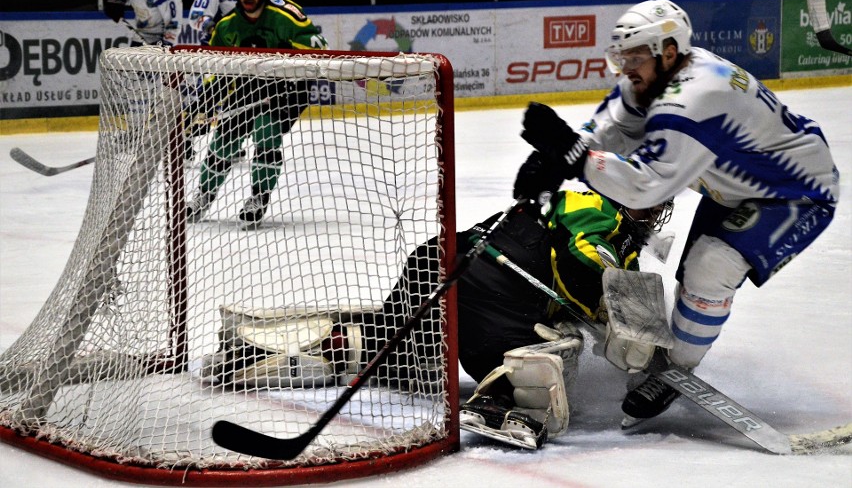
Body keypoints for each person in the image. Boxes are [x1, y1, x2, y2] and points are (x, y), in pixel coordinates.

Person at [196, 151, 674, 448]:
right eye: (647, 198)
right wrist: (607, 307)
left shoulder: (572, 204)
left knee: (397, 356)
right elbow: (585, 260)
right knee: (555, 346)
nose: (653, 209)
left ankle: (269, 350)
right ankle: (505, 396)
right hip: (490, 299)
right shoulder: (601, 213)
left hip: (434, 266)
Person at [519, 0, 840, 424]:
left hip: (796, 193)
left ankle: (676, 374)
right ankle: (679, 355)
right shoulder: (663, 78)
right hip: (736, 189)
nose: (627, 67)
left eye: (635, 57)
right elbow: (614, 127)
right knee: (692, 278)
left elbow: (648, 184)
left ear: (668, 51)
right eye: (622, 57)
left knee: (711, 268)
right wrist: (562, 155)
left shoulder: (696, 96)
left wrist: (577, 158)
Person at [186, 0, 328, 228]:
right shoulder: (227, 27)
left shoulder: (284, 16)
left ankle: (258, 198)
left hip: (288, 88)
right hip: (249, 87)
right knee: (224, 141)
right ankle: (204, 195)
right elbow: (219, 72)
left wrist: (291, 74)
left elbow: (319, 49)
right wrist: (204, 104)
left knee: (266, 131)